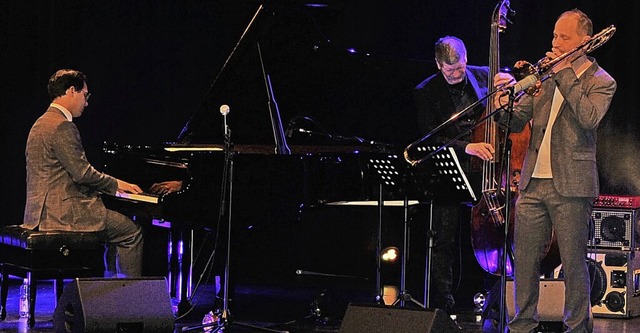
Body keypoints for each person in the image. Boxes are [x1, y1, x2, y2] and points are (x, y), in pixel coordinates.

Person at [493, 9, 616, 332]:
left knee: (574, 264)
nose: (556, 42)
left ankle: (577, 326)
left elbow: (589, 118)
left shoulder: (602, 81)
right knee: (524, 261)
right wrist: (503, 103)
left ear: (584, 42)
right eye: (554, 36)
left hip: (572, 185)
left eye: (564, 37)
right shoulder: (545, 77)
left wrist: (564, 73)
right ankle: (522, 325)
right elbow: (515, 122)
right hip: (533, 182)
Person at [23, 69, 146, 277]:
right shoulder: (62, 126)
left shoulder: (40, 123)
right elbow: (83, 174)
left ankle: (112, 293)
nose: (86, 102)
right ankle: (125, 299)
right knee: (131, 232)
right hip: (64, 215)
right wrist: (117, 184)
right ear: (72, 90)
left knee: (116, 230)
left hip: (38, 215)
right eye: (85, 95)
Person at [413, 36, 495, 314]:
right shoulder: (425, 92)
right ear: (438, 65)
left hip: (484, 171)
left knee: (489, 235)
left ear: (466, 59)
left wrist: (509, 81)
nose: (456, 74)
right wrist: (467, 147)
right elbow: (430, 140)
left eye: (459, 68)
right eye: (450, 70)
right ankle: (443, 300)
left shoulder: (484, 75)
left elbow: (509, 80)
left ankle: (490, 297)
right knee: (443, 239)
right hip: (448, 170)